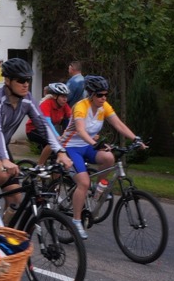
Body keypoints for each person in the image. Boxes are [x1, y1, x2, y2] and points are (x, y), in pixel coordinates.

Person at [0, 58, 72, 219]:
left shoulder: (27, 100)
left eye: (28, 80)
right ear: (7, 80)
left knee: (15, 198)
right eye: (21, 80)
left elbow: (43, 125)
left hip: (0, 145)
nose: (26, 84)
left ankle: (3, 235)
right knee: (1, 174)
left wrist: (60, 151)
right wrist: (4, 160)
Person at [59, 75, 144, 239]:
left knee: (109, 158)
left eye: (105, 94)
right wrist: (94, 143)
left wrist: (135, 138)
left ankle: (98, 189)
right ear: (90, 94)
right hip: (70, 147)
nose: (103, 98)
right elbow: (81, 130)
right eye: (99, 95)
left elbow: (118, 124)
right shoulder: (80, 107)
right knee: (83, 182)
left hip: (87, 146)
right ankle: (76, 222)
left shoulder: (103, 106)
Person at [25, 82, 72, 166]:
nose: (65, 99)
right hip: (33, 130)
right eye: (62, 96)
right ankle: (40, 165)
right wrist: (56, 136)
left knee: (56, 158)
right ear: (55, 96)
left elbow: (73, 118)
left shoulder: (64, 105)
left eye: (66, 96)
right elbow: (47, 122)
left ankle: (56, 178)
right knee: (52, 143)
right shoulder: (46, 104)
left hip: (47, 130)